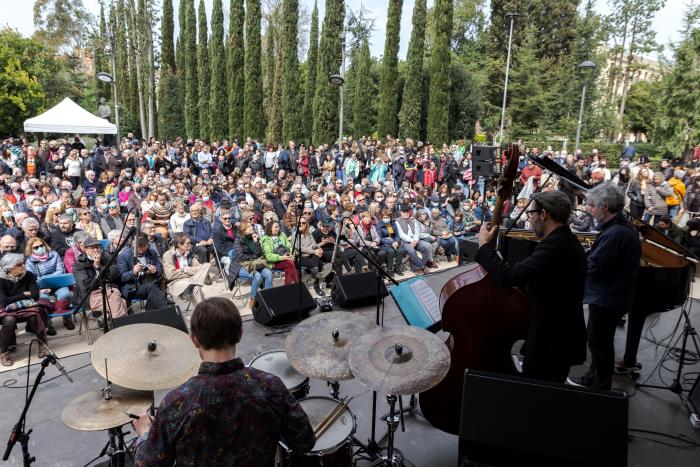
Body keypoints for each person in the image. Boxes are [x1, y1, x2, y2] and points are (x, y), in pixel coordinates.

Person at [132, 297, 315, 464]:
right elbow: (305, 441)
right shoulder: (270, 386)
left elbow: (148, 464)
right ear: (240, 334)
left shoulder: (176, 403)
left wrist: (145, 434)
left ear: (194, 339)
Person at [476, 191, 587, 382]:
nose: (531, 218)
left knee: (540, 396)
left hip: (552, 341)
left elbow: (508, 276)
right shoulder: (565, 241)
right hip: (558, 336)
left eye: (532, 214)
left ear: (543, 214)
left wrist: (484, 246)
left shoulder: (556, 246)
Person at [568, 183, 641, 390]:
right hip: (609, 296)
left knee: (599, 344)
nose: (589, 209)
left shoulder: (615, 234)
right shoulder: (619, 229)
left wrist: (573, 262)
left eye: (592, 205)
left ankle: (600, 387)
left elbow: (595, 265)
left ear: (605, 206)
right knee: (597, 341)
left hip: (607, 297)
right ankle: (593, 378)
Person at [0, 253, 49, 366]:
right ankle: (4, 352)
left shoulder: (28, 275)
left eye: (23, 263)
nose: (23, 266)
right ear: (9, 268)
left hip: (27, 306)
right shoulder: (1, 279)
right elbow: (3, 302)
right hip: (7, 309)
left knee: (34, 315)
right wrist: (23, 294)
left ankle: (42, 344)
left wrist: (13, 298)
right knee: (9, 320)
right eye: (19, 264)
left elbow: (35, 295)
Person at [25, 237, 74, 332]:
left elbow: (60, 270)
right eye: (36, 247)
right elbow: (31, 277)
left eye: (41, 245)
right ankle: (48, 323)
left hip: (58, 283)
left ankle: (67, 318)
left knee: (66, 295)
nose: (40, 248)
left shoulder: (54, 255)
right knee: (44, 300)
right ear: (31, 249)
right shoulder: (29, 261)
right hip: (42, 287)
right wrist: (43, 282)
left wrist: (46, 279)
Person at [73, 236, 128, 320]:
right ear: (85, 249)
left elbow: (115, 275)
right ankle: (118, 325)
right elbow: (86, 286)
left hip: (110, 291)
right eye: (92, 248)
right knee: (120, 300)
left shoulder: (106, 257)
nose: (95, 250)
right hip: (90, 295)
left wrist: (99, 267)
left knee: (117, 298)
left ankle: (114, 325)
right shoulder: (79, 264)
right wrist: (98, 272)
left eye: (97, 247)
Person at [117, 236, 169, 311]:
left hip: (151, 284)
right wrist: (133, 272)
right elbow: (122, 278)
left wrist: (155, 270)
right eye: (139, 246)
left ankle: (150, 317)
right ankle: (167, 311)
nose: (141, 249)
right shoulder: (124, 255)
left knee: (153, 292)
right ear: (133, 244)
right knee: (152, 288)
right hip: (133, 287)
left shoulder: (152, 253)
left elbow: (160, 270)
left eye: (144, 246)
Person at [163, 233, 210, 305]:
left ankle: (200, 312)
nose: (190, 245)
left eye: (190, 243)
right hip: (176, 283)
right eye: (187, 243)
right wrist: (190, 274)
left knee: (207, 265)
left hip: (191, 280)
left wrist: (185, 269)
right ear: (179, 245)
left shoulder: (189, 253)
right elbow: (170, 275)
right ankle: (202, 311)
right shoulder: (168, 255)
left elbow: (199, 268)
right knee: (196, 287)